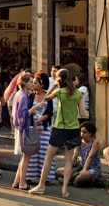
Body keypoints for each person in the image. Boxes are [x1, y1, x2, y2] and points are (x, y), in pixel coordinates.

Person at [29, 68, 85, 197]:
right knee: (68, 160)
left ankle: (41, 185)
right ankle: (64, 189)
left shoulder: (59, 92)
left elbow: (46, 98)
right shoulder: (78, 94)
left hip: (59, 128)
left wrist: (54, 85)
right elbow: (82, 113)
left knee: (48, 158)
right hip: (73, 129)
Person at [11, 73, 41, 190]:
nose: (32, 85)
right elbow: (23, 115)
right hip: (24, 128)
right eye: (30, 82)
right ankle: (22, 182)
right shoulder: (23, 96)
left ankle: (17, 181)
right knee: (26, 156)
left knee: (25, 156)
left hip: (20, 127)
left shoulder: (19, 94)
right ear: (24, 83)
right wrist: (35, 108)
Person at [26, 71, 55, 184]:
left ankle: (45, 177)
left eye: (35, 83)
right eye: (32, 82)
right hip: (32, 128)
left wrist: (39, 120)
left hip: (44, 128)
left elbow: (49, 112)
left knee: (44, 152)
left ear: (42, 84)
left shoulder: (48, 96)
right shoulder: (30, 96)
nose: (33, 85)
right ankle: (28, 175)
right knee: (31, 152)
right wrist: (34, 122)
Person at [68, 121, 101, 187]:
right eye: (81, 132)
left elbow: (90, 157)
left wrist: (84, 170)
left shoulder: (95, 142)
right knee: (59, 171)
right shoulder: (79, 141)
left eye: (84, 132)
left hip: (93, 168)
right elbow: (75, 156)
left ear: (90, 133)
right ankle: (70, 179)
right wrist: (69, 168)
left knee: (79, 179)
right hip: (81, 167)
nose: (82, 134)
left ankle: (71, 180)